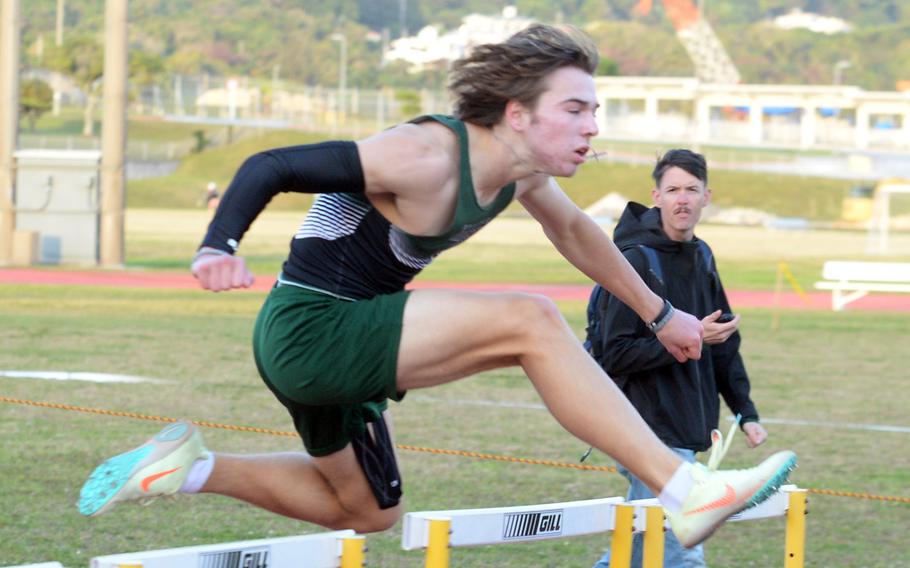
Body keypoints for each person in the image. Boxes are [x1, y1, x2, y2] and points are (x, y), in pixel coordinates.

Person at [77, 24, 795, 549]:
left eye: (594, 112)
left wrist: (661, 312)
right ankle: (683, 488)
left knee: (366, 511)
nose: (591, 127)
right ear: (517, 113)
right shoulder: (423, 156)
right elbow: (271, 165)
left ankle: (187, 469)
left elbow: (577, 234)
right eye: (576, 109)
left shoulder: (520, 172)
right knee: (531, 321)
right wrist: (216, 247)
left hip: (341, 346)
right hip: (313, 330)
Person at [590, 149, 768, 567]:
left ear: (707, 196)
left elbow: (722, 340)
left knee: (637, 551)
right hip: (643, 426)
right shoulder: (634, 260)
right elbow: (613, 355)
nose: (682, 199)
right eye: (672, 190)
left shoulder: (703, 256)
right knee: (680, 553)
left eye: (691, 189)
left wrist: (745, 410)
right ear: (656, 196)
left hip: (685, 425)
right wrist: (686, 340)